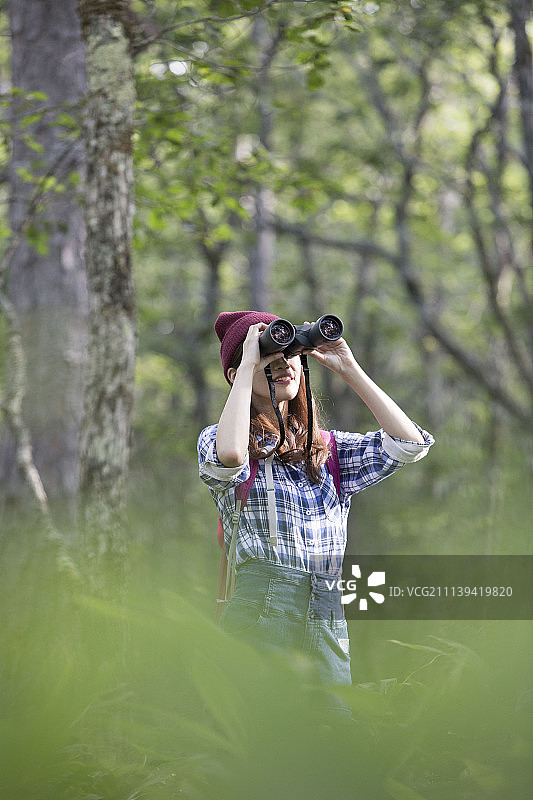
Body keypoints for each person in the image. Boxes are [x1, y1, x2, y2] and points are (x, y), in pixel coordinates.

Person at [197, 310, 434, 702]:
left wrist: (348, 367)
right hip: (263, 604)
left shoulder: (328, 450)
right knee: (263, 735)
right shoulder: (218, 439)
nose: (283, 366)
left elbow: (410, 445)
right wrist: (248, 363)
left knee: (331, 741)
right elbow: (233, 454)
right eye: (268, 360)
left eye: (290, 355)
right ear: (236, 375)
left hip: (327, 613)